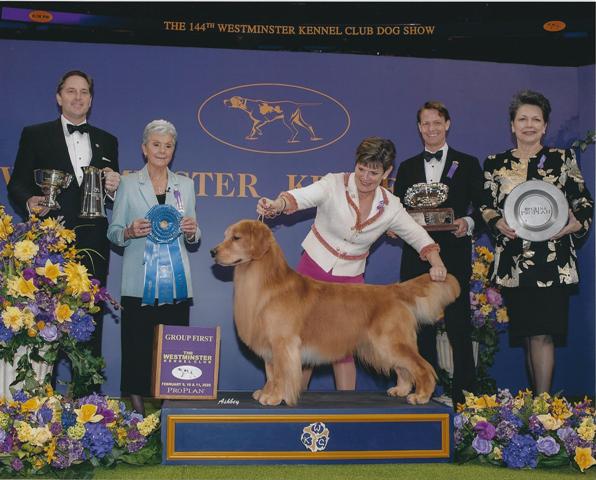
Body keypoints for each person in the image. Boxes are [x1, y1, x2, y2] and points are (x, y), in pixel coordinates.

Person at [256, 136, 448, 392]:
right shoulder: (332, 184)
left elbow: (416, 234)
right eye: (361, 169)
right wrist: (277, 204)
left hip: (350, 279)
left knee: (346, 346)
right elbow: (301, 197)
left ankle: (347, 409)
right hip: (312, 272)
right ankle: (293, 403)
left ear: (387, 172)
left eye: (374, 172)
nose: (366, 177)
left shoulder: (391, 206)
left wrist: (436, 262)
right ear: (355, 164)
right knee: (300, 339)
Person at [480, 90, 593, 395]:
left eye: (536, 119)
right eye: (522, 119)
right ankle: (537, 407)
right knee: (529, 335)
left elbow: (583, 202)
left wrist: (574, 224)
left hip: (552, 262)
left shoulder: (563, 160)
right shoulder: (495, 163)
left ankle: (542, 407)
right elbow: (485, 205)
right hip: (515, 263)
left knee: (543, 335)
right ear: (512, 125)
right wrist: (496, 221)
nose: (529, 125)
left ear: (545, 126)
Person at [7, 70, 120, 368]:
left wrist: (113, 187)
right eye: (71, 91)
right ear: (59, 97)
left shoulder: (108, 141)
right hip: (50, 243)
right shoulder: (35, 134)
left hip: (94, 244)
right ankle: (47, 402)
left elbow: (112, 196)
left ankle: (89, 400)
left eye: (84, 92)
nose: (78, 97)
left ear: (91, 99)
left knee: (90, 321)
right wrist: (29, 200)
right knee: (46, 322)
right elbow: (17, 183)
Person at [393, 101, 483, 408]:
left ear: (447, 124)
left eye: (436, 123)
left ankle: (465, 397)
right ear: (418, 128)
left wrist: (468, 222)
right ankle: (429, 391)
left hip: (455, 253)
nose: (431, 129)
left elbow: (483, 207)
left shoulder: (468, 163)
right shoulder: (406, 167)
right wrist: (392, 226)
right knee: (418, 326)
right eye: (425, 124)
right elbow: (396, 211)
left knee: (459, 324)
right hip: (415, 255)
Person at [107, 119, 200, 414]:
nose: (162, 150)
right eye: (156, 145)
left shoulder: (185, 185)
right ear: (144, 148)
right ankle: (137, 414)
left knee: (173, 347)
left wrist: (190, 230)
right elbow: (114, 232)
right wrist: (129, 231)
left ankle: (169, 411)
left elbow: (195, 234)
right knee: (136, 346)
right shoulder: (128, 183)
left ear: (174, 150)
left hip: (176, 282)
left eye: (168, 146)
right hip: (138, 282)